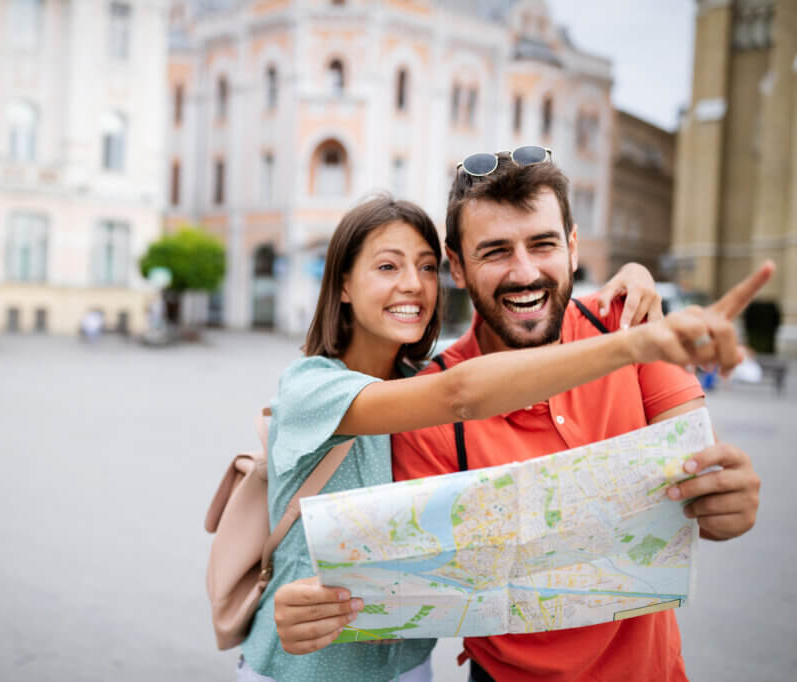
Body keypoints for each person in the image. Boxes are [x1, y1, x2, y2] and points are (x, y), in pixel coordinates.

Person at [271, 152, 773, 681]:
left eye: (543, 243)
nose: (526, 272)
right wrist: (315, 604)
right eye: (495, 251)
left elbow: (703, 483)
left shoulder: (634, 327)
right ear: (458, 268)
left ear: (573, 247)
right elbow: (412, 577)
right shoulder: (429, 398)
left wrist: (728, 501)